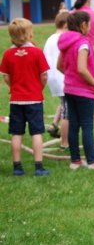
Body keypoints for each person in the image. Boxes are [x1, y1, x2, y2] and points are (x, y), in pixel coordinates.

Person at [58, 11, 94, 170]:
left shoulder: (66, 42)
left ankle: (75, 161)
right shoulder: (83, 43)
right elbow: (82, 68)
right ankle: (92, 161)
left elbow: (59, 65)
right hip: (83, 91)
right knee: (87, 125)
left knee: (73, 124)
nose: (91, 27)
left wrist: (70, 77)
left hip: (69, 89)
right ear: (83, 25)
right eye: (89, 24)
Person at [0, 18, 50, 176]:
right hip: (34, 99)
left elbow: (6, 77)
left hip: (16, 100)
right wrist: (38, 88)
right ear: (29, 34)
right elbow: (44, 76)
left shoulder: (8, 54)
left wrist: (14, 87)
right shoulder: (36, 52)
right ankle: (39, 166)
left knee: (16, 133)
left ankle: (17, 167)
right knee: (36, 133)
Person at [43, 12, 70, 151]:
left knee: (64, 103)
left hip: (52, 77)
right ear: (66, 25)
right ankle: (64, 143)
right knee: (68, 112)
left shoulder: (49, 39)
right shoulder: (63, 38)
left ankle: (54, 125)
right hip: (62, 77)